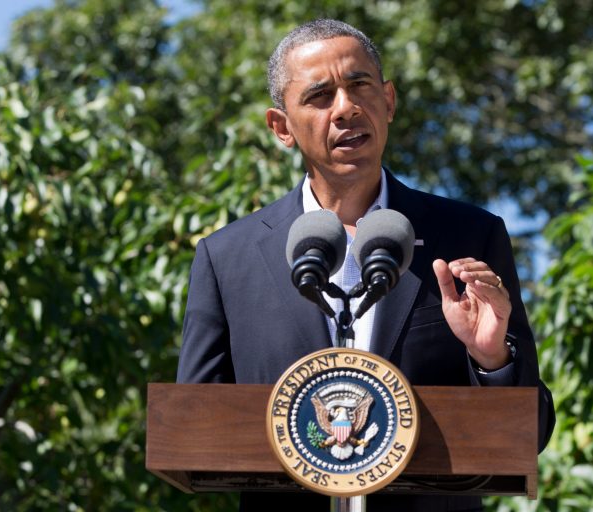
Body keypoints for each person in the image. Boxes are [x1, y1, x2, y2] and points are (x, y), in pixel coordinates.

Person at [177, 19, 555, 512]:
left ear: (389, 100)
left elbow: (533, 432)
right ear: (281, 127)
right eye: (319, 96)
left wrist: (491, 360)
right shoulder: (227, 257)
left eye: (360, 86)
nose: (346, 109)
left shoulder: (468, 236)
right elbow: (192, 425)